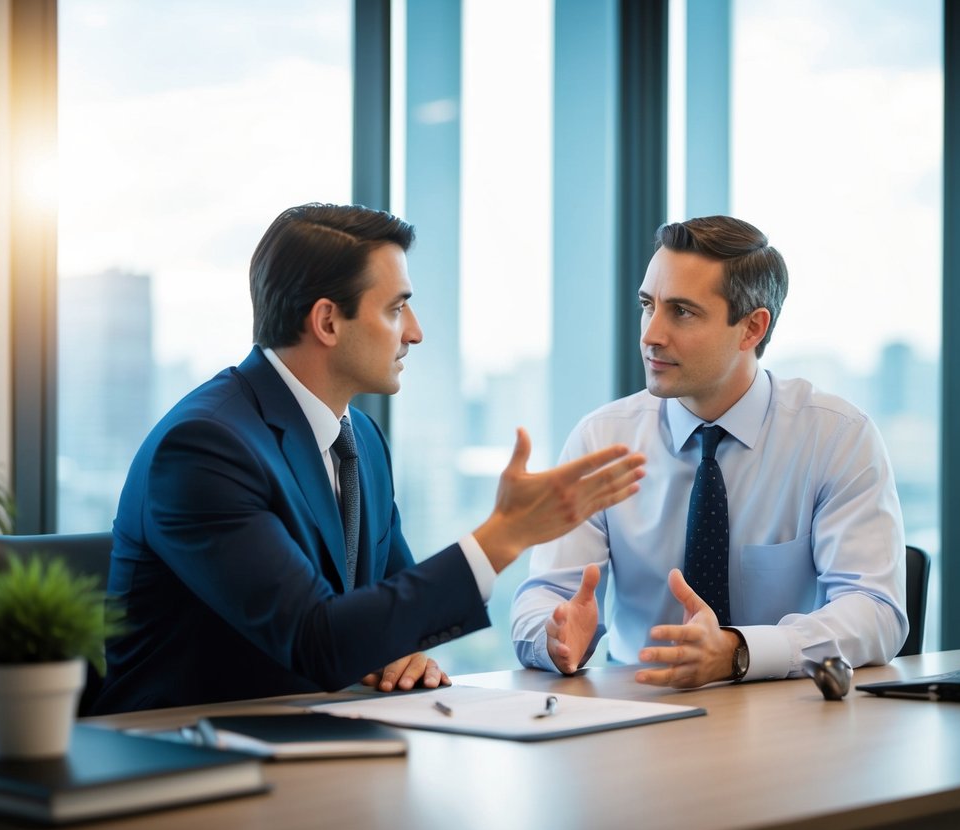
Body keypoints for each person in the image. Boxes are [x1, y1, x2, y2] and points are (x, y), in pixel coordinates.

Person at [90, 203, 645, 714]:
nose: (416, 332)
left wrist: (402, 652)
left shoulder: (362, 442)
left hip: (319, 741)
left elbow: (390, 614)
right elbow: (318, 642)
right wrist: (502, 536)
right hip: (186, 761)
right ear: (328, 321)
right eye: (397, 308)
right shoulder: (204, 448)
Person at [510, 215, 906, 689]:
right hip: (637, 716)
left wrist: (741, 650)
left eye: (682, 312)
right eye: (647, 305)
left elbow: (876, 610)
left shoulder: (837, 437)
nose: (651, 334)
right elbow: (545, 597)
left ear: (752, 328)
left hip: (783, 721)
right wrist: (552, 634)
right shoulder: (601, 440)